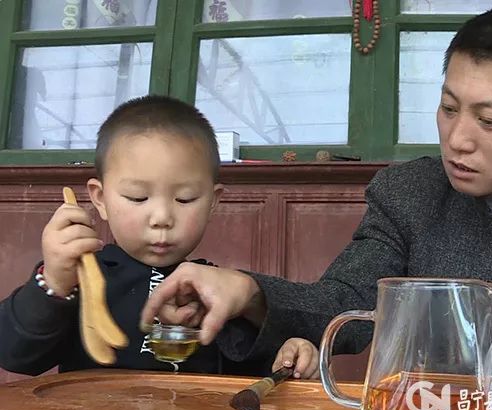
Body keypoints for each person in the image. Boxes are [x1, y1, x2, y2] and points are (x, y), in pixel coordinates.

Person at [140, 6, 492, 385]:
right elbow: (346, 305)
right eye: (449, 108)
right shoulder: (410, 195)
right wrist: (248, 292)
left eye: (490, 120)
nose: (458, 139)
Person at [0, 95, 319, 379]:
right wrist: (53, 284)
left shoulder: (214, 289)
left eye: (185, 199)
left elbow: (245, 373)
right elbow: (15, 354)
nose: (162, 217)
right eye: (138, 198)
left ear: (213, 202)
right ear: (100, 198)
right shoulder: (79, 278)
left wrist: (287, 355)